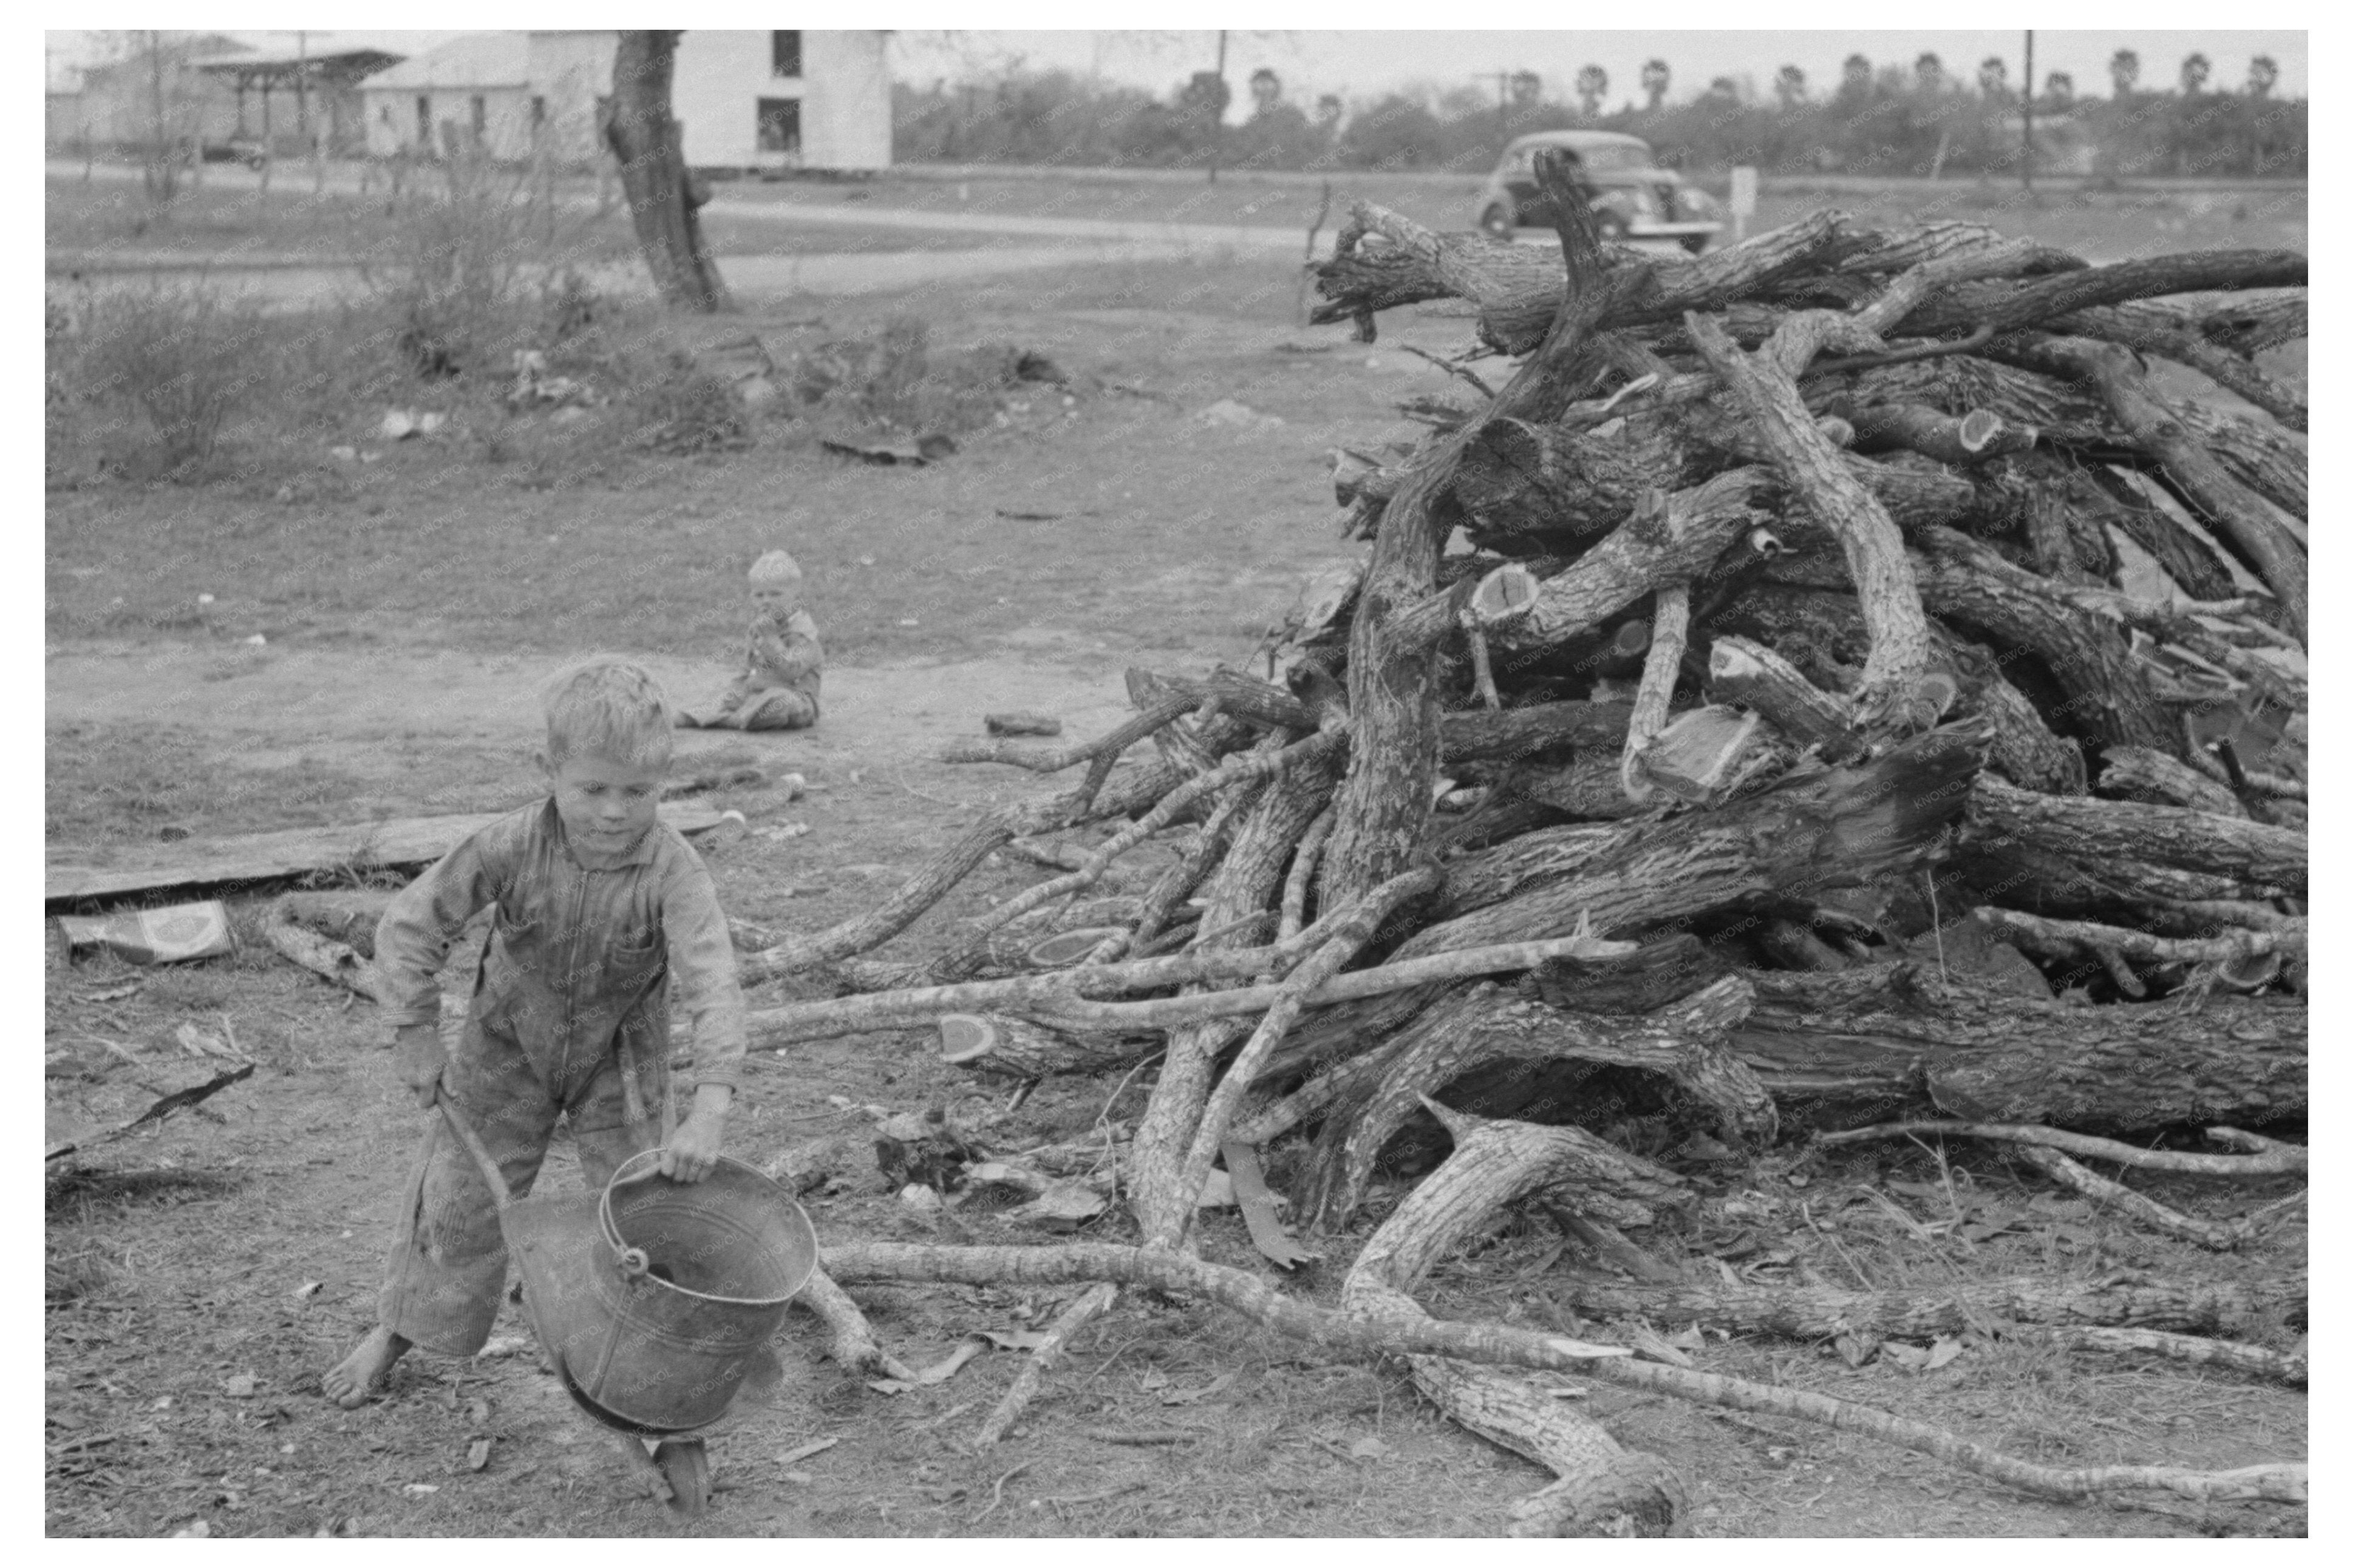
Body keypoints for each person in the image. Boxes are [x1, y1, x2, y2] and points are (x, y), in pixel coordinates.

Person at [322, 657, 747, 1408]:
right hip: (506, 1051)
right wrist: (414, 1031)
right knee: (456, 1201)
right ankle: (400, 1329)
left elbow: (713, 981)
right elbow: (410, 926)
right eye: (592, 789)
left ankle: (637, 1355)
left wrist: (712, 1105)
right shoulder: (508, 845)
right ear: (547, 769)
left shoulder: (675, 871)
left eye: (638, 792)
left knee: (640, 1212)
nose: (615, 812)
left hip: (621, 1064)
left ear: (665, 780)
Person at [675, 549, 823, 730]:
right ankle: (717, 715)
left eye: (776, 594)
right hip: (755, 694)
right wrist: (734, 695)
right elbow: (747, 669)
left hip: (796, 699)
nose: (766, 601)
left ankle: (735, 719)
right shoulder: (759, 627)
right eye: (759, 595)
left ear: (797, 598)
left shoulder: (803, 632)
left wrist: (772, 640)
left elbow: (792, 672)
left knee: (781, 702)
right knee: (721, 695)